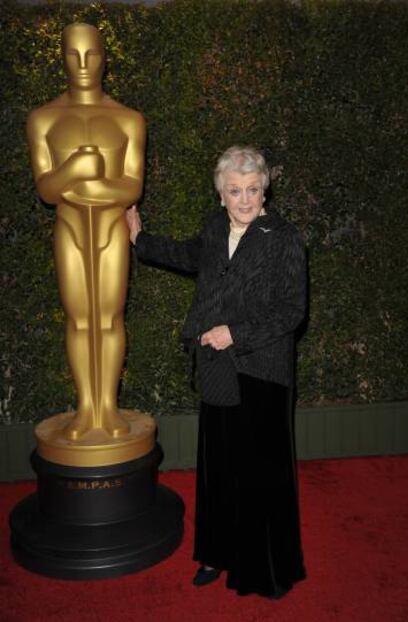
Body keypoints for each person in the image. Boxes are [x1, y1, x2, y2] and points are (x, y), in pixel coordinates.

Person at [126, 145, 307, 598]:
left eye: (251, 189)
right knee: (218, 467)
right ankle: (216, 553)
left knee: (261, 472)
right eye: (234, 191)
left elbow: (291, 311)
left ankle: (263, 567)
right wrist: (139, 240)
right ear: (221, 195)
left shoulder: (282, 236)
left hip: (262, 370)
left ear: (264, 189)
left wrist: (236, 333)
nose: (244, 199)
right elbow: (190, 256)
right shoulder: (213, 228)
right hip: (216, 364)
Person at [27, 23, 146, 441]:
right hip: (70, 227)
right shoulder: (43, 119)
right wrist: (75, 169)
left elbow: (132, 186)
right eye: (72, 54)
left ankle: (108, 407)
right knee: (79, 319)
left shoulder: (129, 120)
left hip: (111, 228)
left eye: (91, 54)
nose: (82, 64)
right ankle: (85, 408)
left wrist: (87, 185)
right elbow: (46, 188)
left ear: (104, 58)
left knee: (110, 317)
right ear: (61, 57)